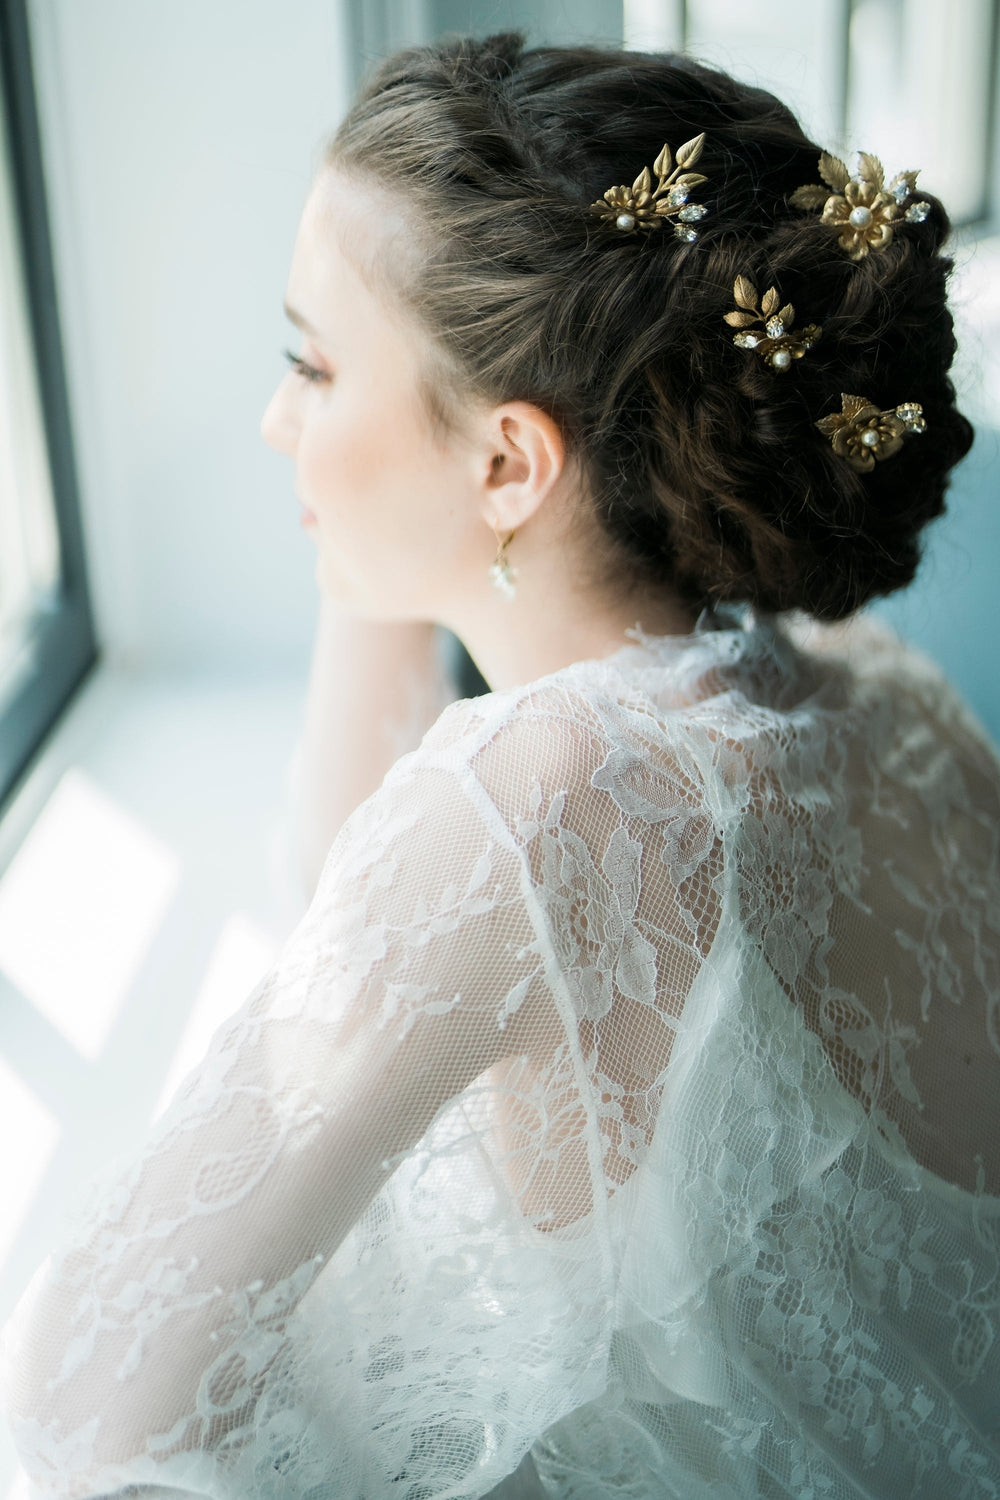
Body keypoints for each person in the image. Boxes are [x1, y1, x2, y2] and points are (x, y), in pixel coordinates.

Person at [3, 31, 998, 1500]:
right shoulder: (880, 696)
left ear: (513, 467)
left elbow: (90, 1401)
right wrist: (388, 544)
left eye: (312, 364)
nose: (277, 420)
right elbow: (352, 885)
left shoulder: (539, 804)